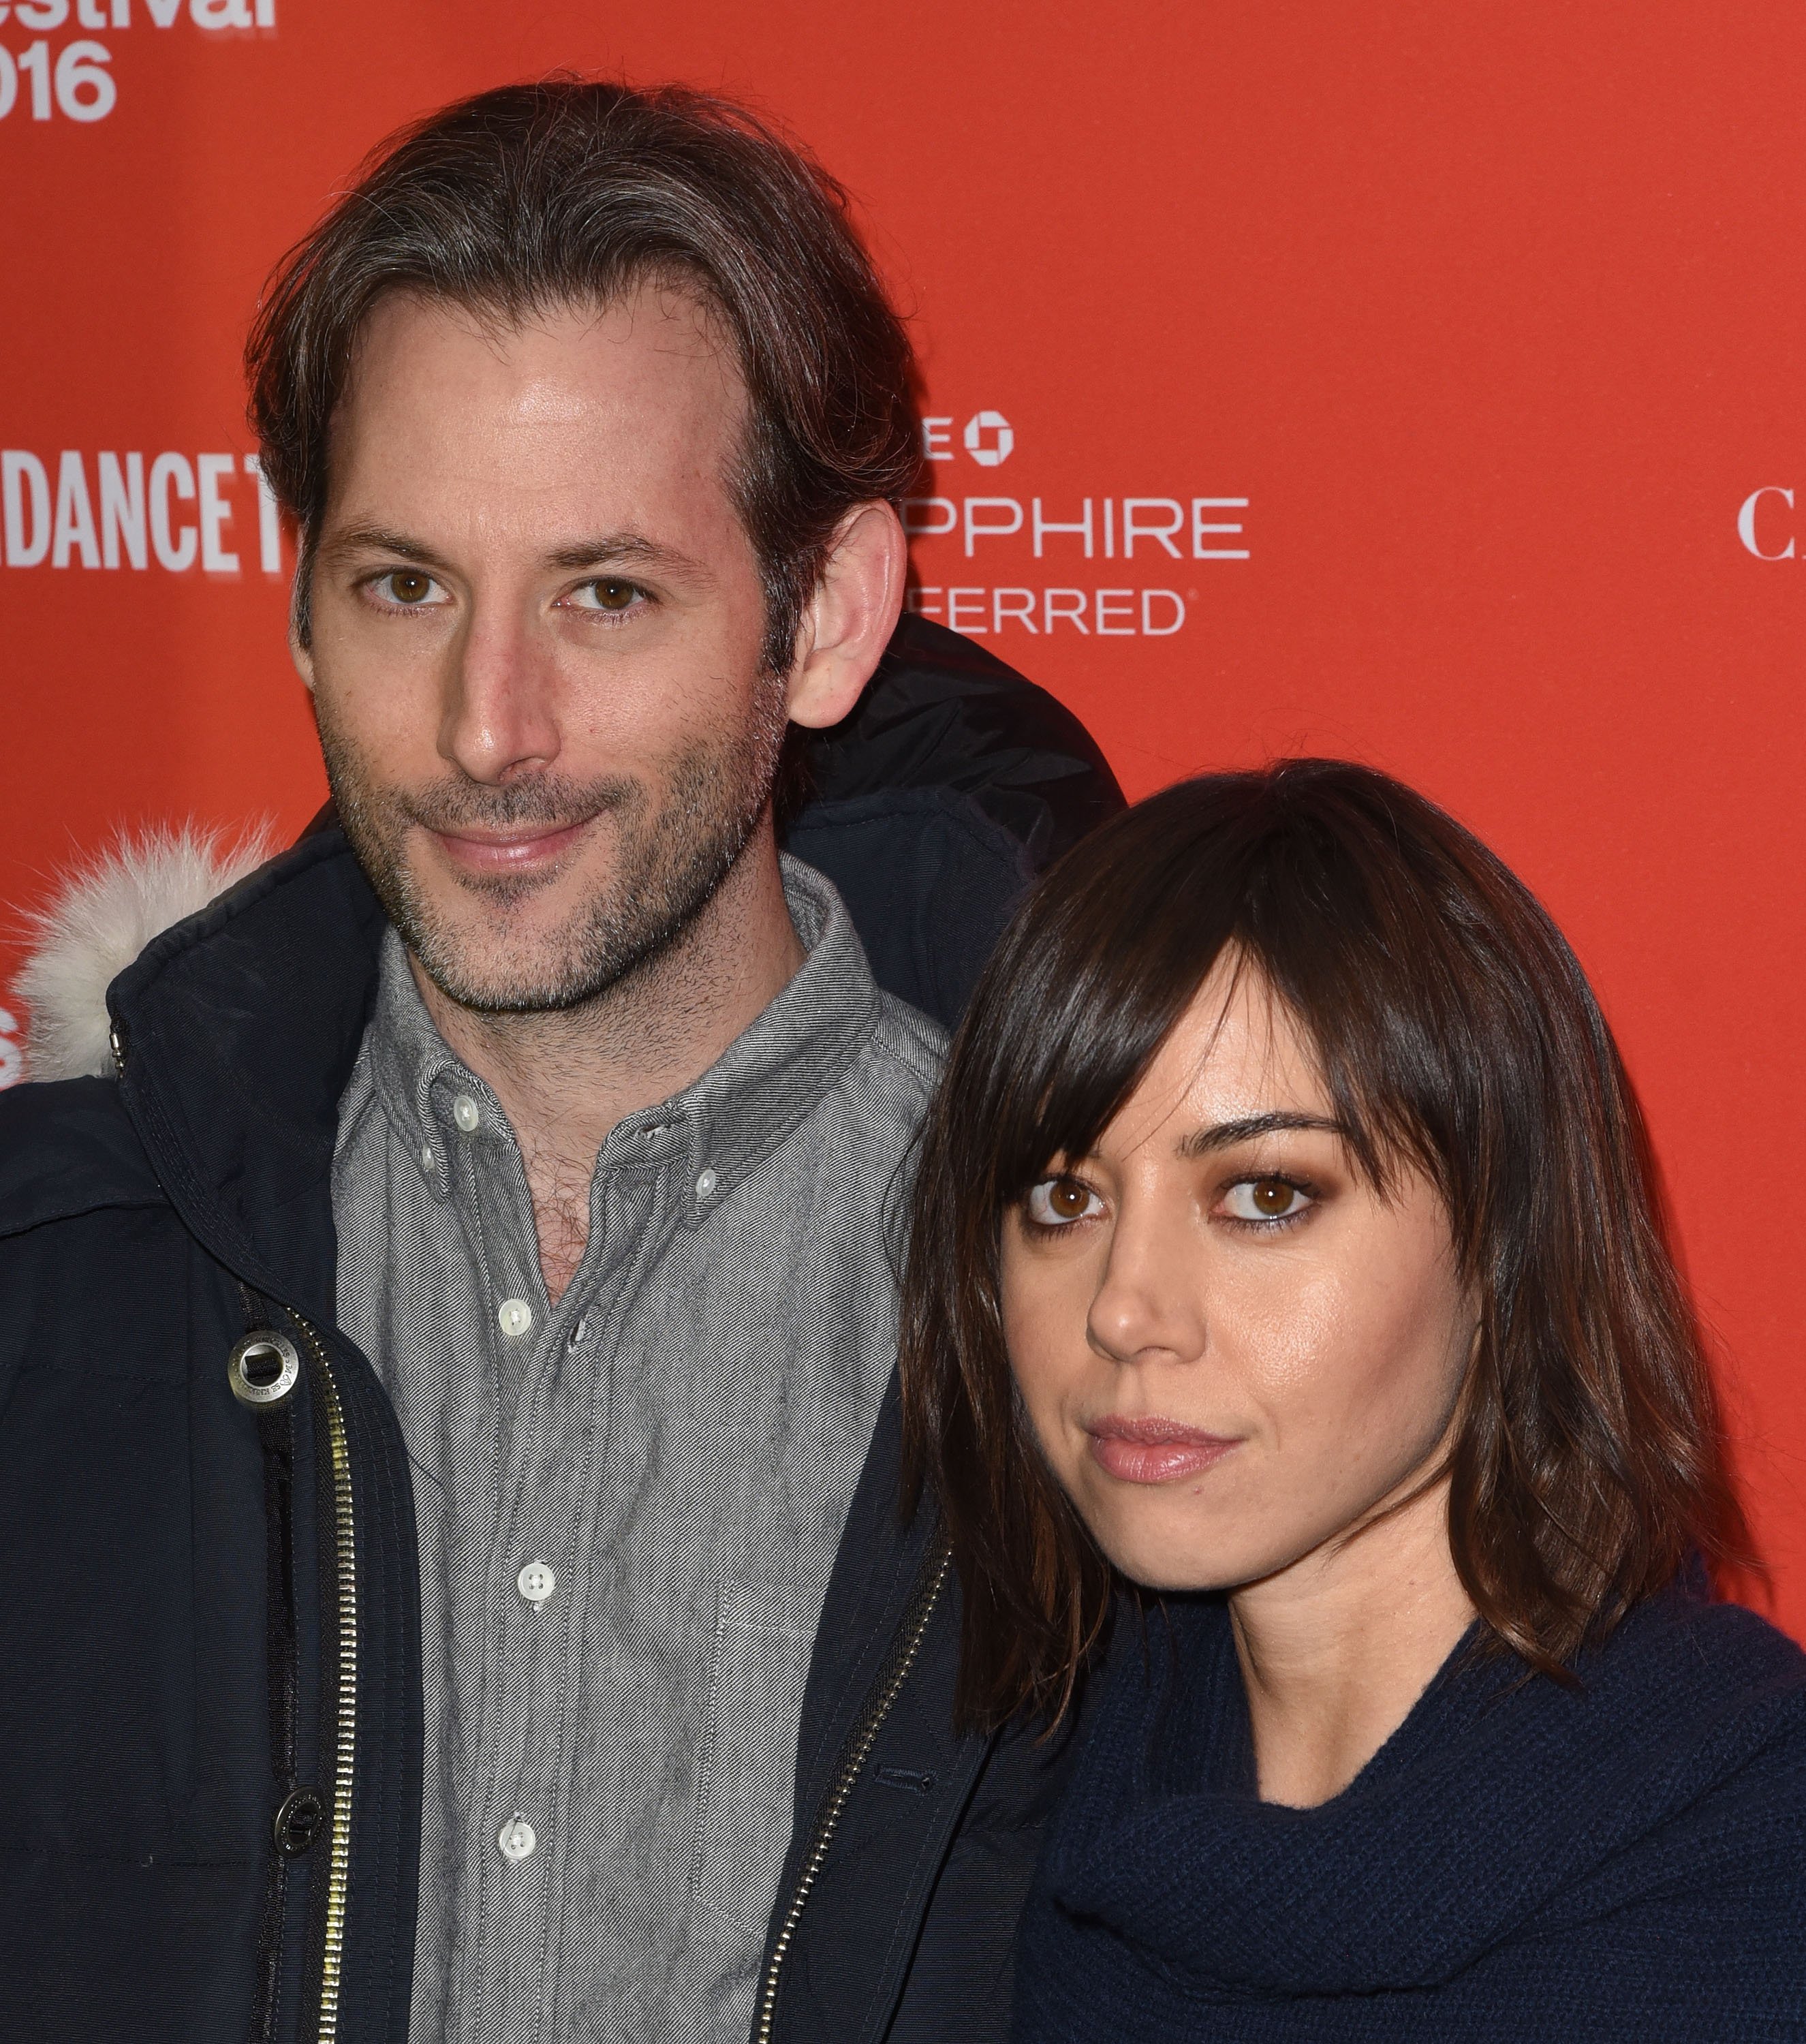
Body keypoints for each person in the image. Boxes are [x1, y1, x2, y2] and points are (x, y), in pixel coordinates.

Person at [0, 81, 1122, 2044]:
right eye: (403, 585)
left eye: (606, 593)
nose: (484, 726)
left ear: (828, 617)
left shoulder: (1101, 1301)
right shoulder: (64, 1274)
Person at [901, 760, 1806, 2041]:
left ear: (1504, 1240)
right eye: (1065, 1198)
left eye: (1266, 1195)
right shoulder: (982, 1808)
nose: (1122, 1308)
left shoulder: (1754, 1851)